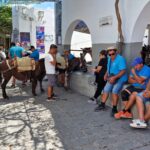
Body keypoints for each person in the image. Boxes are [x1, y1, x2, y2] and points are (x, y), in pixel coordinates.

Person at [95, 46, 127, 117]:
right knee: (106, 89)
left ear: (116, 52)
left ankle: (114, 109)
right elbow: (108, 68)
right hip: (112, 77)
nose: (111, 56)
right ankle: (102, 105)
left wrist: (115, 77)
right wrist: (106, 74)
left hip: (120, 78)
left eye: (113, 54)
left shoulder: (120, 59)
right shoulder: (109, 59)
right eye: (109, 54)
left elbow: (123, 71)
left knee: (114, 90)